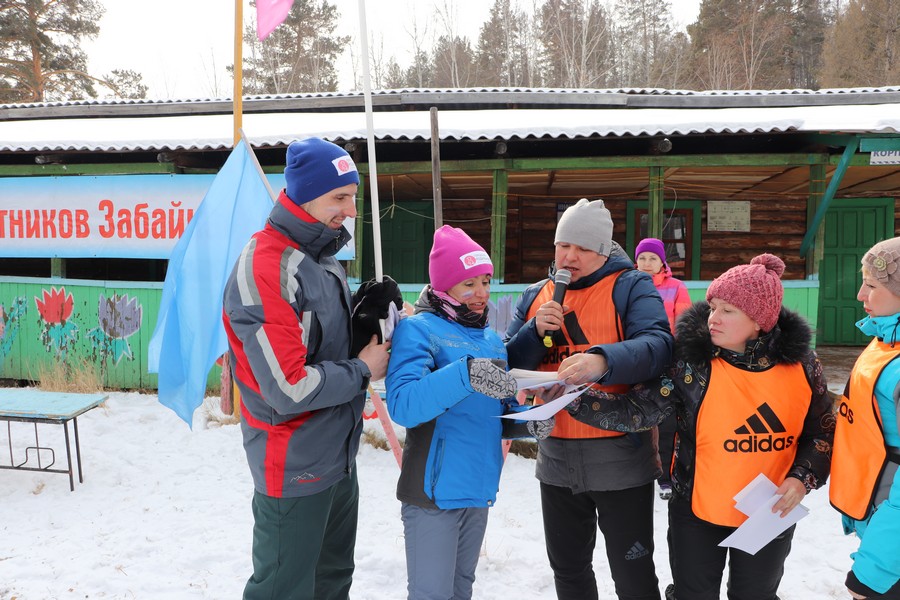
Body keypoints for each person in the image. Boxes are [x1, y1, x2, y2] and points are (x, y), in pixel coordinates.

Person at [566, 253, 834, 600]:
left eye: (728, 311)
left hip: (768, 512)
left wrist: (802, 478)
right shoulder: (692, 363)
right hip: (696, 511)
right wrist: (573, 399)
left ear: (759, 321)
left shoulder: (802, 365)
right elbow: (639, 410)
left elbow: (823, 431)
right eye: (712, 307)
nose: (713, 319)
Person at [222, 137, 392, 600]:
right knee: (284, 590)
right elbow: (287, 388)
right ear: (305, 196)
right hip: (293, 461)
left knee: (332, 582)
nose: (351, 211)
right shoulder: (266, 268)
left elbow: (321, 345)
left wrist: (366, 317)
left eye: (353, 197)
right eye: (340, 198)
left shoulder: (323, 257)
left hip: (339, 457)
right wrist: (361, 369)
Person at [504, 198, 674, 600]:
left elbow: (659, 346)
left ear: (603, 250)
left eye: (582, 248)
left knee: (632, 575)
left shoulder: (631, 285)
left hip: (620, 458)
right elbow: (506, 364)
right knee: (568, 570)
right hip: (556, 459)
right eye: (563, 246)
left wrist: (603, 361)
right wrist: (532, 332)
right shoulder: (536, 295)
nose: (569, 257)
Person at [386, 225, 547, 600]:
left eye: (486, 282)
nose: (482, 293)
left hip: (477, 487)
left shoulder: (491, 339)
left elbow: (496, 413)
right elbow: (404, 405)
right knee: (431, 595)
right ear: (444, 286)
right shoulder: (418, 330)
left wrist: (529, 422)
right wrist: (466, 374)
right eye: (469, 284)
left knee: (462, 590)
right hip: (433, 492)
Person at [830, 237, 900, 600]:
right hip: (881, 517)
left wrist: (875, 569)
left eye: (872, 285)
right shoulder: (887, 340)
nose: (860, 295)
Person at [634, 237, 692, 500]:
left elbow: (683, 328)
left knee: (667, 422)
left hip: (666, 364)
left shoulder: (676, 288)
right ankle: (637, 472)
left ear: (662, 262)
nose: (647, 263)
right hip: (635, 361)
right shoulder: (627, 286)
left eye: (652, 258)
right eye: (642, 258)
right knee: (635, 417)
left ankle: (666, 477)